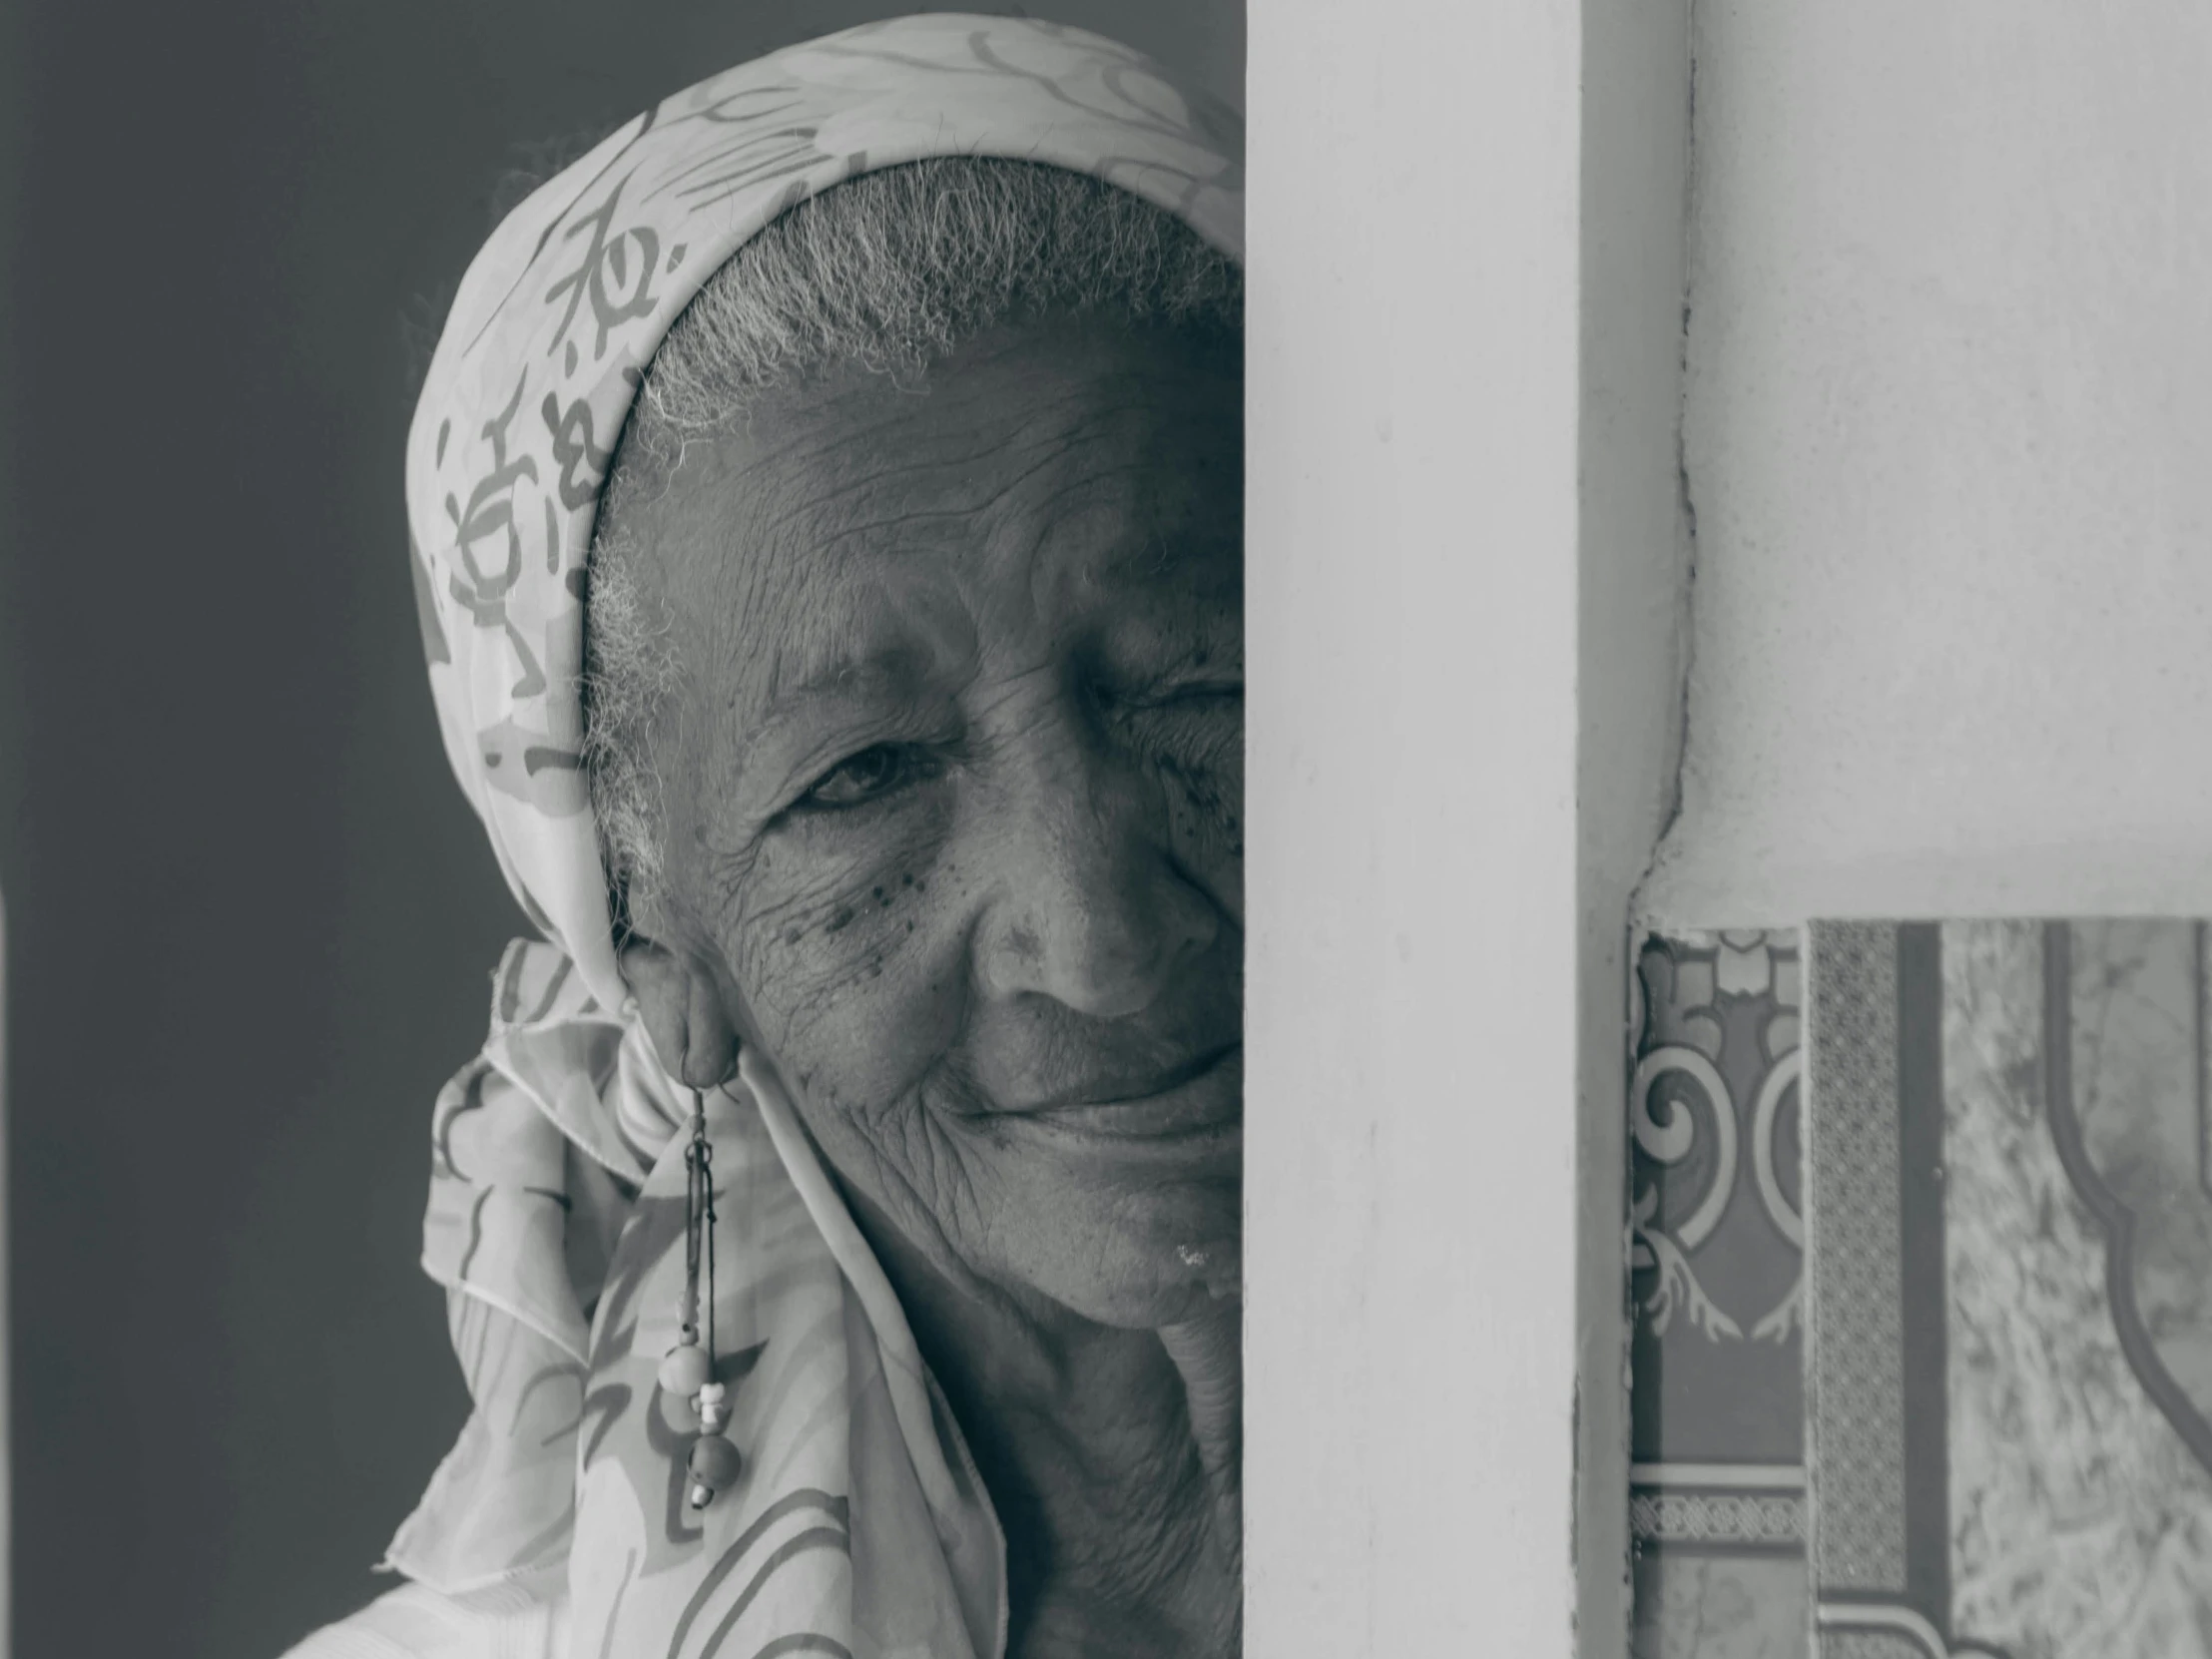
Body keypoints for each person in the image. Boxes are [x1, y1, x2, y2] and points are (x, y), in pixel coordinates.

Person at [284, 15, 1244, 1658]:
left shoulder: (1740, 1434)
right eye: (863, 777)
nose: (1097, 930)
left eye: (1188, 681)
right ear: (658, 958)